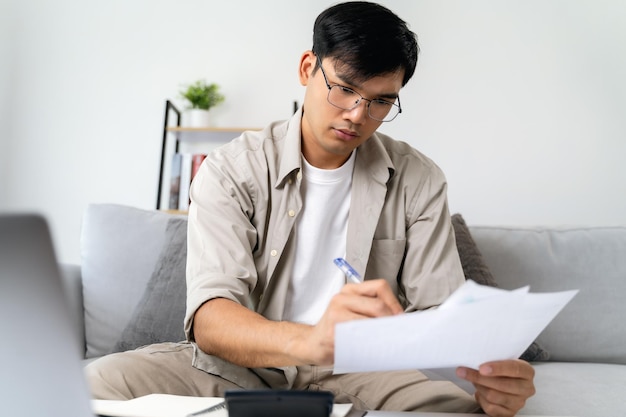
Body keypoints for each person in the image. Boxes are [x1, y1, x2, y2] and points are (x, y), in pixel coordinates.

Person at [87, 2, 535, 416]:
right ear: (307, 68)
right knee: (95, 382)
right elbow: (212, 318)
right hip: (246, 364)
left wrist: (492, 379)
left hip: (363, 367)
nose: (358, 115)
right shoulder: (231, 170)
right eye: (344, 89)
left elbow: (441, 316)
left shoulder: (419, 179)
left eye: (380, 100)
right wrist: (312, 341)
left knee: (466, 413)